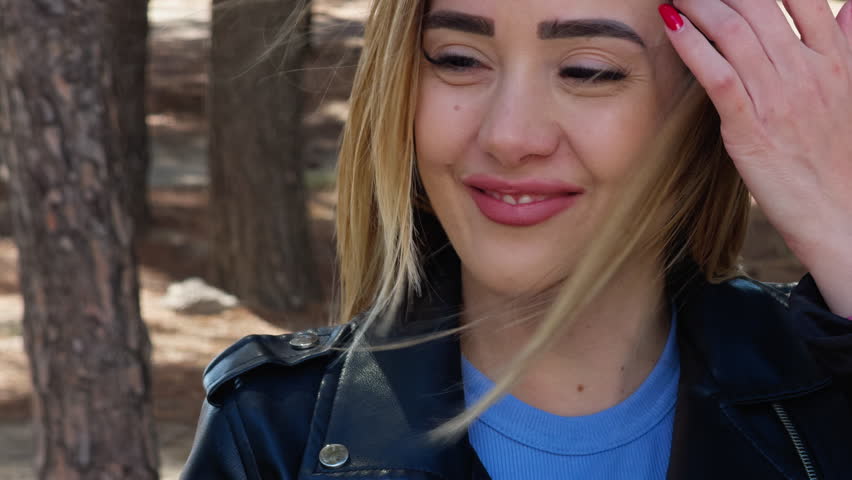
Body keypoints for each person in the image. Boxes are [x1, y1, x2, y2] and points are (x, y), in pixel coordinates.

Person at [181, 0, 852, 478]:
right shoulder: (270, 435)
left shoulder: (828, 400)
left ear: (712, 102)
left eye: (589, 70)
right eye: (458, 59)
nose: (508, 136)